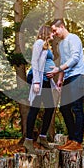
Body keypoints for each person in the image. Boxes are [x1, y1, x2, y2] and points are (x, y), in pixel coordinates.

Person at [46, 18, 84, 151]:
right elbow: (64, 61)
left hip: (79, 76)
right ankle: (71, 139)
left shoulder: (74, 38)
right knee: (64, 108)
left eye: (55, 30)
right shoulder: (61, 44)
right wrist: (60, 79)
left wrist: (58, 69)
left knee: (77, 108)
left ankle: (77, 141)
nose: (54, 33)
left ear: (62, 26)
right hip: (68, 77)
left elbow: (75, 58)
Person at [23, 25, 56, 154]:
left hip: (46, 81)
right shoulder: (39, 43)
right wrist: (36, 81)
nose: (53, 34)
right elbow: (35, 62)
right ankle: (28, 140)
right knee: (34, 108)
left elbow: (47, 64)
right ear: (46, 32)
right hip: (38, 80)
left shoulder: (47, 46)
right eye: (51, 32)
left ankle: (42, 137)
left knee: (50, 108)